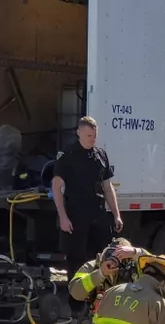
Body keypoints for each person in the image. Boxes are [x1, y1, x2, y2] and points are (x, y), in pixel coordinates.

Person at [52, 116, 123, 310]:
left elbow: (108, 188)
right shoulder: (68, 156)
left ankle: (99, 302)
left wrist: (116, 214)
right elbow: (56, 187)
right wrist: (63, 217)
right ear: (79, 133)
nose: (93, 139)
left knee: (101, 257)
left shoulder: (101, 155)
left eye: (95, 135)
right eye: (89, 135)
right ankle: (76, 305)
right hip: (76, 214)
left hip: (98, 214)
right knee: (76, 260)